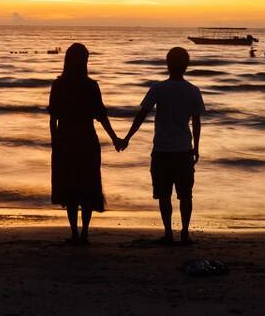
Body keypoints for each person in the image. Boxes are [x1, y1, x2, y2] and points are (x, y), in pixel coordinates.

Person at [123, 47, 205, 245]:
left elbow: (142, 114)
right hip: (184, 149)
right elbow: (196, 121)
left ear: (167, 64)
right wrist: (196, 148)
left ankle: (168, 233)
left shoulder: (158, 88)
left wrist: (127, 138)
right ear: (186, 66)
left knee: (164, 195)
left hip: (162, 149)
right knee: (185, 195)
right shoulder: (193, 90)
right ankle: (184, 233)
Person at [48, 43, 125, 245]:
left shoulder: (58, 85)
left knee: (71, 188)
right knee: (88, 187)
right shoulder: (91, 86)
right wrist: (115, 138)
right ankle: (85, 233)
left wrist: (55, 142)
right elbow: (101, 116)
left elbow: (52, 119)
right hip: (87, 139)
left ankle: (74, 233)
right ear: (85, 62)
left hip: (65, 140)